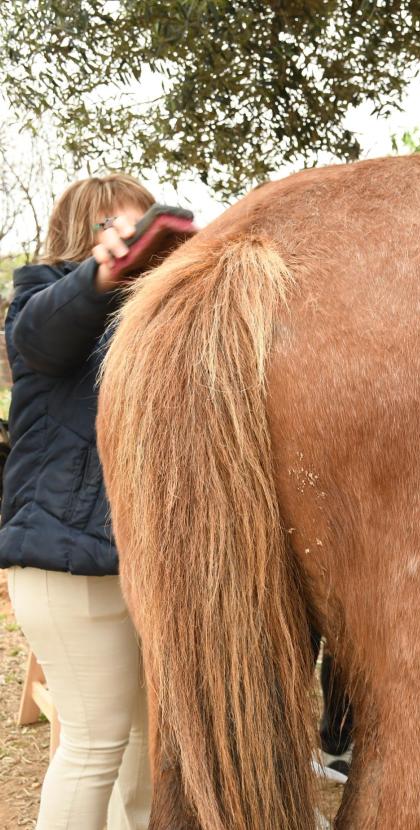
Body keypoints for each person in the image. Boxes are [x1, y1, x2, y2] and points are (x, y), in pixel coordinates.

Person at [2, 174, 155, 830]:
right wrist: (100, 276)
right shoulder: (40, 299)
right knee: (92, 748)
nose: (132, 244)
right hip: (63, 565)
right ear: (81, 237)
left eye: (143, 228)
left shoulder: (149, 317)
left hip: (137, 567)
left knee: (145, 744)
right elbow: (46, 331)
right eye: (114, 230)